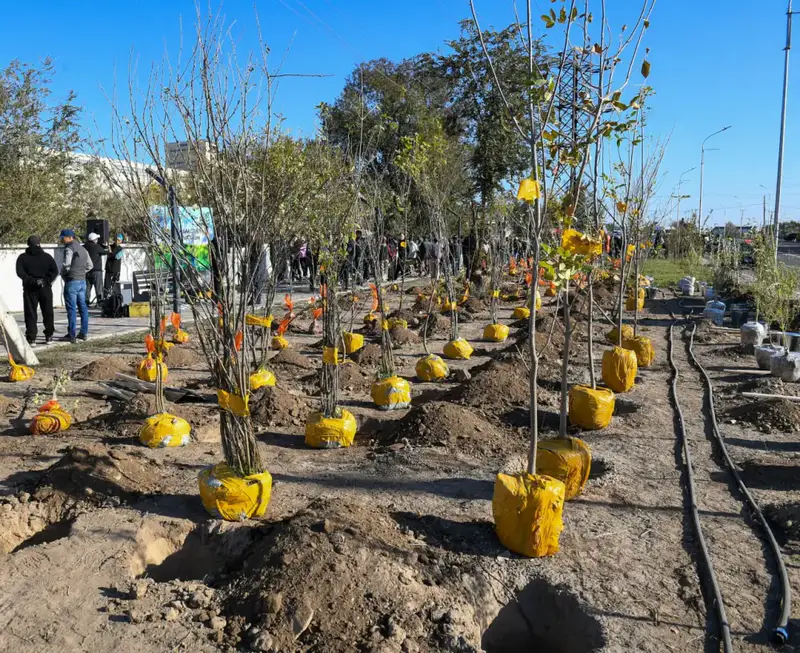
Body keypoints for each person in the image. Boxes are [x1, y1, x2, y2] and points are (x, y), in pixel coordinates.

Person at [15, 235, 58, 346]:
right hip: (45, 288)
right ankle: (49, 335)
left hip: (30, 288)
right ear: (39, 243)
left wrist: (32, 280)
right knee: (48, 312)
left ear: (28, 244)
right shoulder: (47, 257)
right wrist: (46, 280)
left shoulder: (22, 257)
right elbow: (54, 271)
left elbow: (20, 273)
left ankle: (31, 337)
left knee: (30, 313)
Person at [59, 228, 93, 343]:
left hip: (72, 281)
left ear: (69, 237)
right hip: (82, 281)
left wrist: (64, 274)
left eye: (63, 238)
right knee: (83, 308)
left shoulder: (69, 248)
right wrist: (81, 272)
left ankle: (71, 334)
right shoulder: (83, 249)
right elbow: (90, 265)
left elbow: (66, 265)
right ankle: (83, 333)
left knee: (71, 309)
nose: (62, 240)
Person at [83, 232, 108, 305]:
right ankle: (99, 301)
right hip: (96, 270)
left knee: (87, 287)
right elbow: (105, 252)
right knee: (98, 287)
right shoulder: (96, 247)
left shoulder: (84, 247)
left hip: (87, 270)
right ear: (94, 240)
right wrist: (105, 246)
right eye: (97, 239)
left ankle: (86, 301)